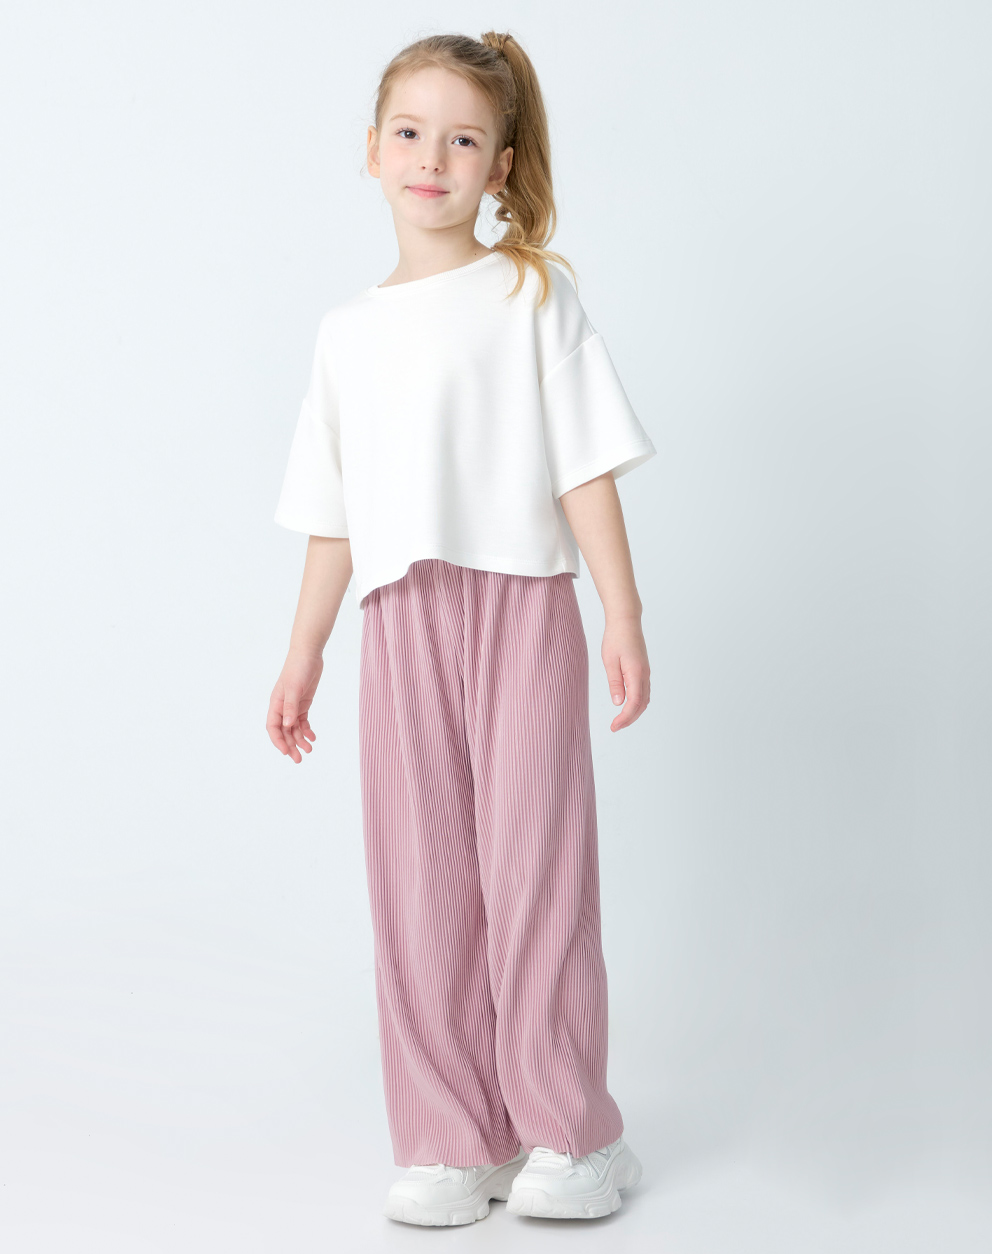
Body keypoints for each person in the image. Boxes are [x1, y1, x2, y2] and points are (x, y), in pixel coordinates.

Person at [266, 29, 655, 1227]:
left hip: (520, 603)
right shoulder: (345, 333)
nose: (431, 158)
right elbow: (332, 516)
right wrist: (302, 653)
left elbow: (584, 465)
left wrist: (621, 609)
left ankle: (570, 1132)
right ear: (371, 150)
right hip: (398, 620)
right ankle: (451, 1138)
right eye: (410, 132)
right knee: (421, 882)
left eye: (462, 139)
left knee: (534, 870)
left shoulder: (531, 294)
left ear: (499, 166)